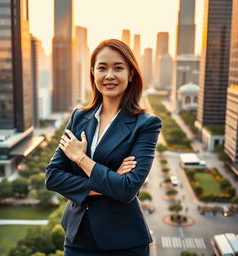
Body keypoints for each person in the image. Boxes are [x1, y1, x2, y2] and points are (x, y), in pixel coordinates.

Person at [45, 39, 162, 256]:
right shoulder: (79, 117)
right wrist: (109, 181)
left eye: (118, 68)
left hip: (124, 243)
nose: (109, 75)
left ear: (131, 74)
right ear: (92, 73)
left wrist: (81, 159)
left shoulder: (146, 124)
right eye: (102, 68)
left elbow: (127, 189)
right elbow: (52, 177)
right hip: (77, 239)